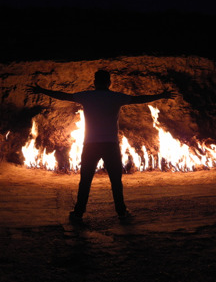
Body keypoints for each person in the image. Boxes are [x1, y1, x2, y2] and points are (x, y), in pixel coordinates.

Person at [26, 70, 176, 221]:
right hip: (110, 145)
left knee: (85, 180)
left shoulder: (87, 96)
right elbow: (140, 99)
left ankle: (78, 213)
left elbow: (63, 95)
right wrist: (161, 95)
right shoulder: (116, 97)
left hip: (91, 144)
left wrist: (42, 90)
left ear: (95, 82)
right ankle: (121, 212)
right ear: (109, 82)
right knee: (116, 181)